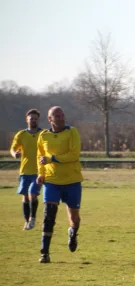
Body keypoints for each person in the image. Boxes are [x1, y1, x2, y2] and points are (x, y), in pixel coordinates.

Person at [36, 106, 84, 263]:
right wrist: (41, 174)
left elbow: (73, 154)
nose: (61, 118)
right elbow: (40, 157)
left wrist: (52, 159)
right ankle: (45, 253)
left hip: (72, 181)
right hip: (52, 181)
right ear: (50, 119)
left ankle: (73, 231)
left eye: (62, 115)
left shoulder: (72, 132)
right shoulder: (43, 136)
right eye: (57, 116)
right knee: (49, 214)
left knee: (75, 218)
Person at [10, 109, 43, 230]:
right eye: (31, 118)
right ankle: (27, 221)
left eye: (35, 118)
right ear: (27, 119)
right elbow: (13, 148)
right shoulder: (21, 135)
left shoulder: (43, 134)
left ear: (38, 120)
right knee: (25, 197)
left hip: (39, 171)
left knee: (33, 193)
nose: (33, 120)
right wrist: (15, 154)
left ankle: (32, 218)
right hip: (24, 171)